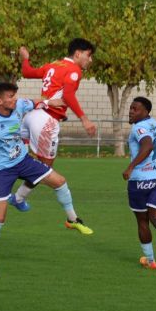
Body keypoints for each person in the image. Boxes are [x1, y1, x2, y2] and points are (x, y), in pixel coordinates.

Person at [0, 82, 93, 280]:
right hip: (1, 171)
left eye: (15, 95)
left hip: (23, 161)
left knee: (60, 181)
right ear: (0, 101)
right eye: (10, 96)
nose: (15, 99)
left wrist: (52, 101)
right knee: (0, 216)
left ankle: (72, 220)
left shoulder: (19, 105)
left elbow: (35, 102)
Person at [11, 38, 97, 209]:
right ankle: (18, 198)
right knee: (45, 169)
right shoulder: (74, 70)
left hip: (32, 115)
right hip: (46, 120)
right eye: (89, 55)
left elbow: (27, 72)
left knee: (10, 147)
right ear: (78, 54)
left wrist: (25, 58)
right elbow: (68, 95)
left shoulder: (53, 65)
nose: (90, 60)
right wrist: (84, 119)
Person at [122, 97, 156, 270]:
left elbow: (147, 145)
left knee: (142, 221)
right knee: (155, 217)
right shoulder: (154, 123)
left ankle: (150, 261)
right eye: (131, 108)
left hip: (140, 180)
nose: (131, 112)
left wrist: (131, 166)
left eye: (136, 109)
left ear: (145, 112)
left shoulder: (138, 128)